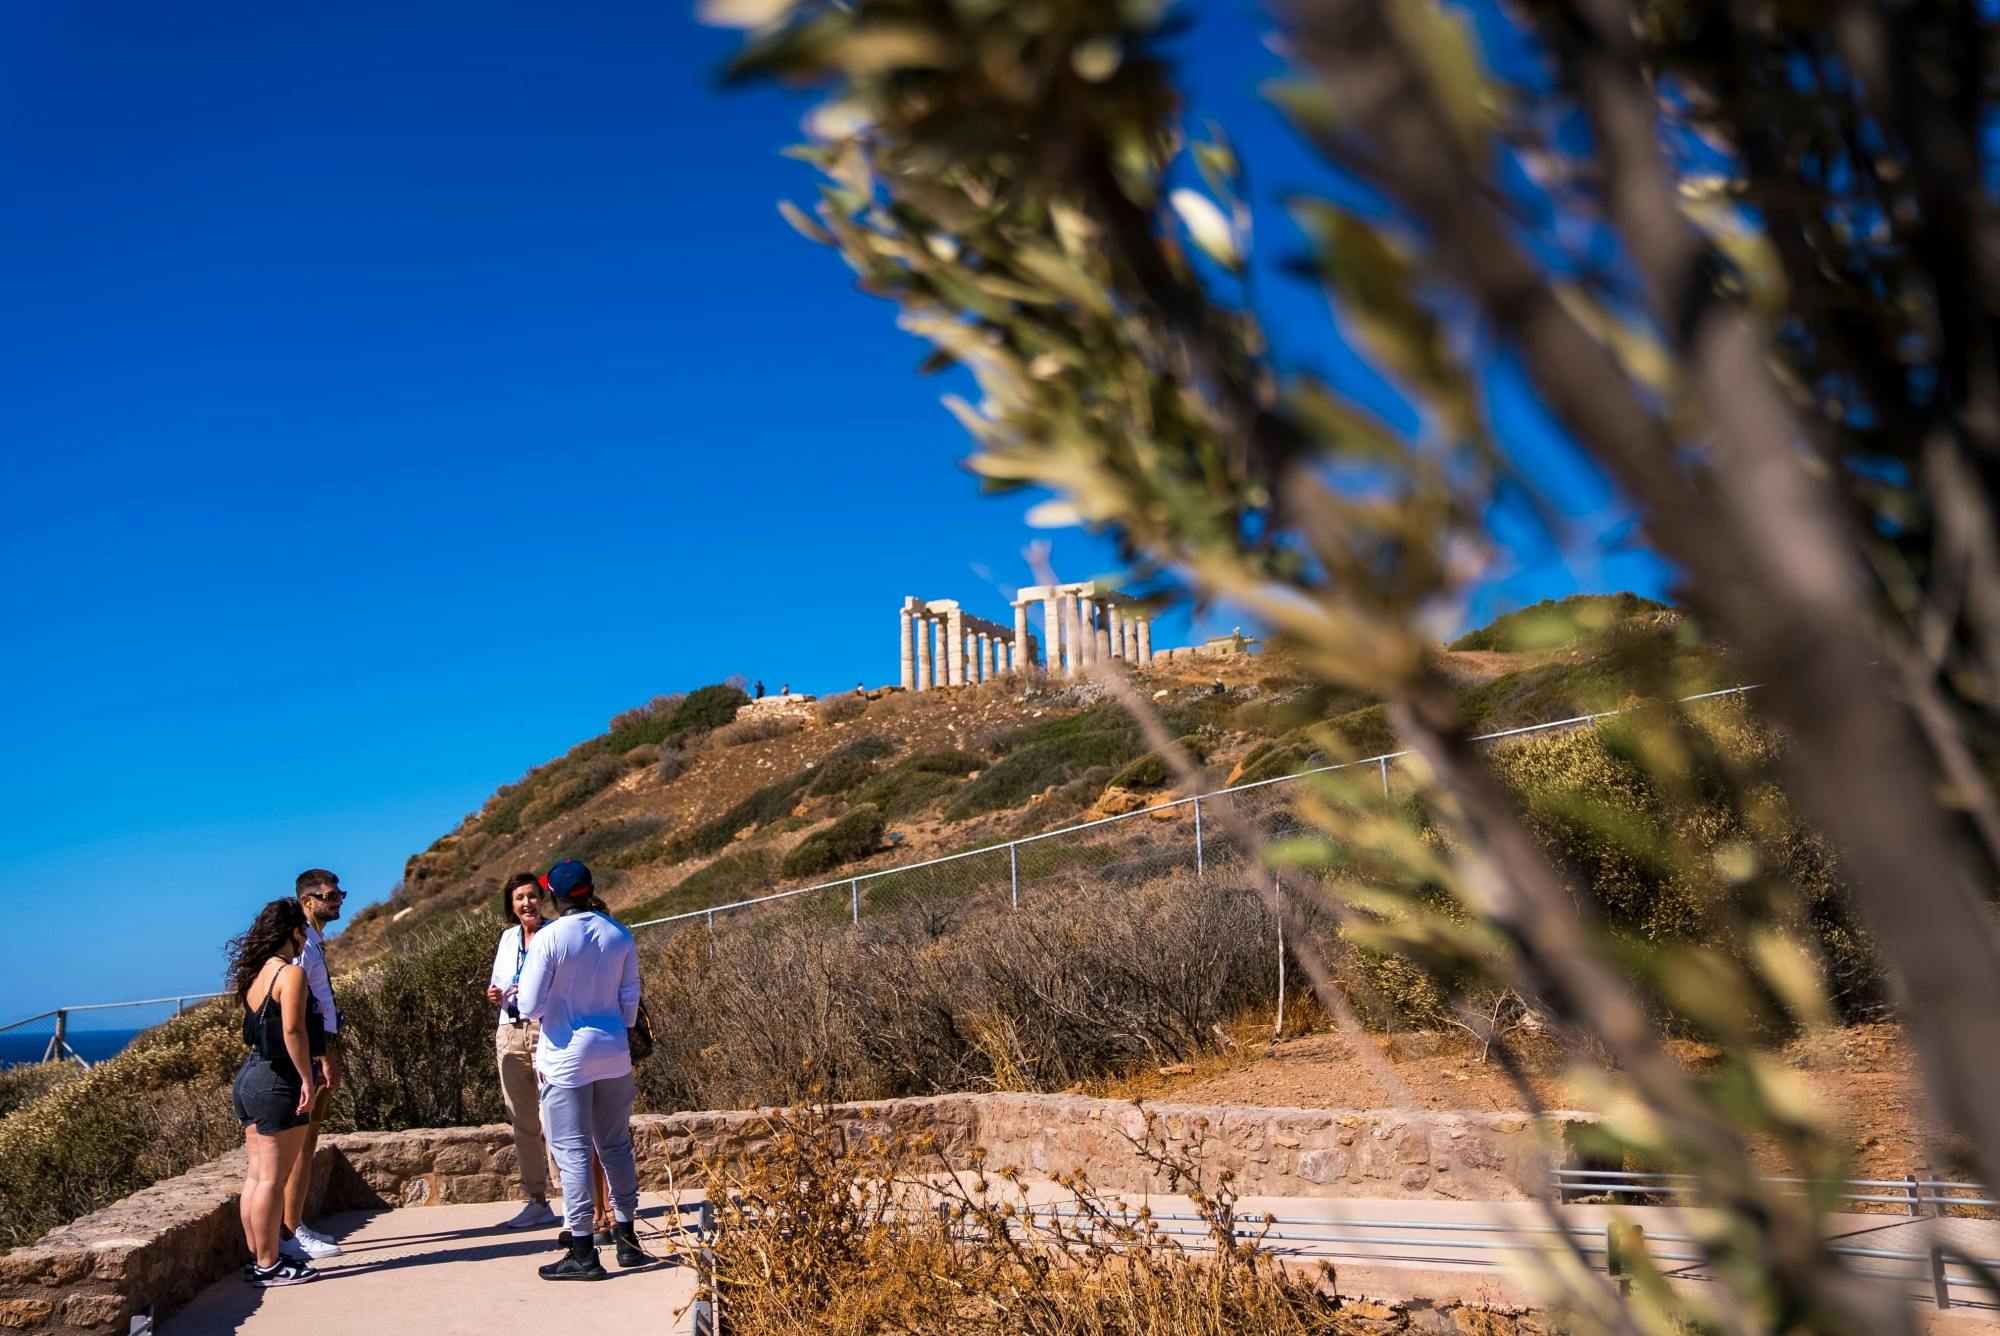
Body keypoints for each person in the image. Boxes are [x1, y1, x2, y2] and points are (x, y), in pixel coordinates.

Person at [518, 859, 649, 1279]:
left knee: (572, 1152)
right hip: (613, 1050)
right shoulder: (619, 933)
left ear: (553, 895)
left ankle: (583, 1250)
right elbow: (630, 998)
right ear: (590, 889)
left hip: (565, 1055)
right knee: (615, 1145)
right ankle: (628, 1241)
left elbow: (529, 1004)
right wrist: (615, 1025)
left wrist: (550, 1007)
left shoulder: (550, 937)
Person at [226, 898, 321, 1286]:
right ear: (294, 932)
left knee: (256, 1176)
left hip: (249, 1077)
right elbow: (293, 1031)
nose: (305, 941)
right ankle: (270, 1265)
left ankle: (261, 1258)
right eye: (304, 933)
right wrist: (307, 1079)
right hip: (278, 1079)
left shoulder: (255, 975)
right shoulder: (290, 974)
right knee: (272, 1180)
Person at [486, 872, 559, 1229]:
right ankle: (537, 1200)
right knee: (522, 1120)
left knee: (555, 1115)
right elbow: (498, 983)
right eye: (519, 898)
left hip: (546, 1029)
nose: (526, 903)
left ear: (541, 899)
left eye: (531, 896)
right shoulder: (507, 938)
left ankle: (574, 1198)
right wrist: (495, 994)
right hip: (510, 1031)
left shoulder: (555, 933)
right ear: (511, 905)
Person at [280, 869, 345, 1261]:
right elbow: (305, 1007)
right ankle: (292, 1231)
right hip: (310, 1054)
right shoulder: (302, 946)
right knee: (300, 1145)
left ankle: (296, 1224)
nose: (338, 902)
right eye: (330, 896)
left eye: (339, 895)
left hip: (318, 1049)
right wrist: (322, 1057)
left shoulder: (314, 941)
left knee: (309, 1140)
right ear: (308, 901)